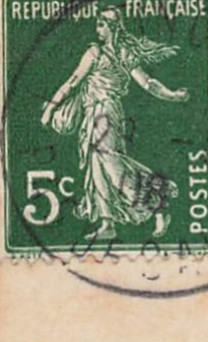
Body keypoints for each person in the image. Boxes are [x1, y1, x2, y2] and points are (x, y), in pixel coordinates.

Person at [38, 9, 189, 240]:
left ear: (112, 27)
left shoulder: (110, 53)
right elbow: (74, 82)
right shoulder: (101, 52)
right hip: (94, 114)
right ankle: (107, 223)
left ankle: (156, 204)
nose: (97, 29)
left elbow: (147, 83)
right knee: (96, 165)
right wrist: (51, 106)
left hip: (105, 113)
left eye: (101, 24)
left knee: (109, 162)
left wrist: (173, 95)